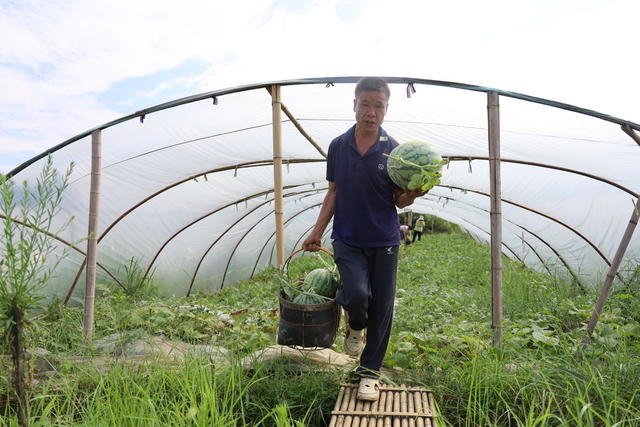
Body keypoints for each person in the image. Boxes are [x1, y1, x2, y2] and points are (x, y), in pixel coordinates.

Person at [302, 77, 426, 401]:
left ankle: (369, 373)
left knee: (383, 308)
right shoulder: (338, 146)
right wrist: (316, 231)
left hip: (385, 239)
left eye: (379, 106)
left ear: (386, 109)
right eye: (365, 104)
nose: (371, 112)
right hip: (347, 237)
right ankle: (356, 324)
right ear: (354, 104)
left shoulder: (396, 152)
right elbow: (333, 193)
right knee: (357, 295)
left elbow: (399, 201)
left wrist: (412, 194)